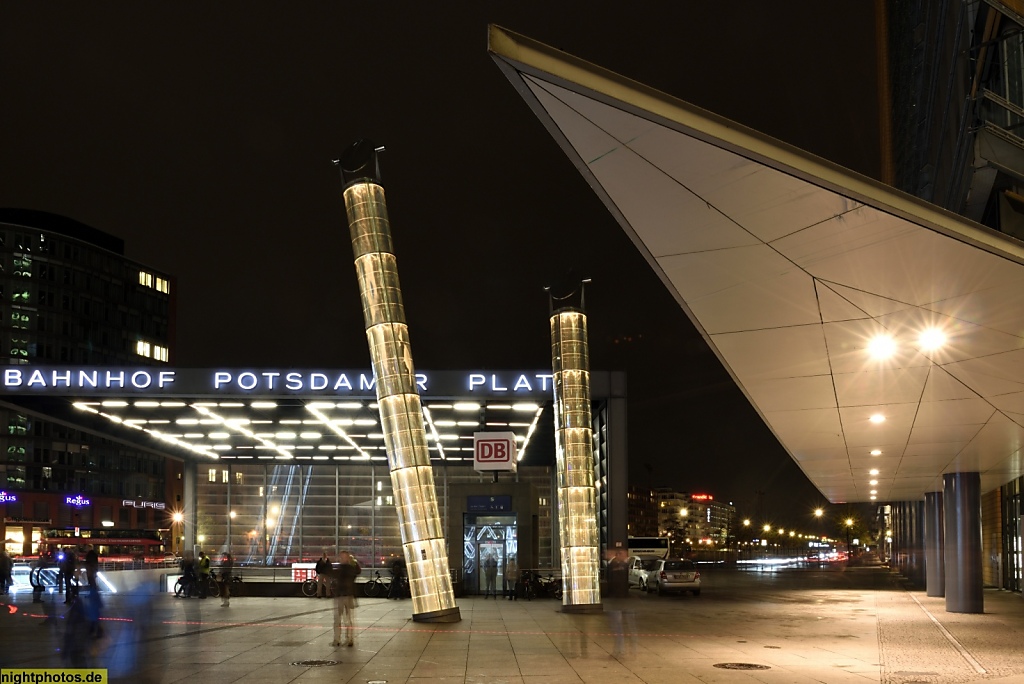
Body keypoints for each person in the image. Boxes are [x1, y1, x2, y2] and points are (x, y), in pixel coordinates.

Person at [331, 550, 361, 648]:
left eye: (344, 557)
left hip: (345, 595)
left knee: (344, 619)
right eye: (341, 557)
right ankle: (342, 639)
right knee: (341, 619)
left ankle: (345, 639)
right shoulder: (349, 569)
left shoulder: (346, 569)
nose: (342, 559)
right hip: (343, 594)